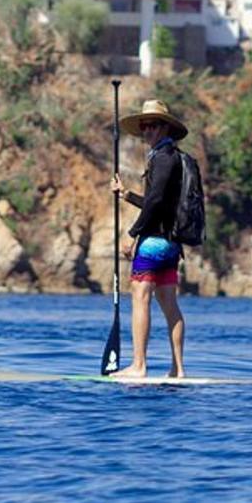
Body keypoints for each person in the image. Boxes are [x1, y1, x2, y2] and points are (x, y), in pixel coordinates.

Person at [109, 99, 188, 378]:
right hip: (171, 245)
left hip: (153, 243)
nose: (148, 131)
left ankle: (139, 366)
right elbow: (160, 204)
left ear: (166, 127)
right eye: (144, 126)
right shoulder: (173, 158)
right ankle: (178, 370)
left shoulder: (162, 158)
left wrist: (133, 235)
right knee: (169, 303)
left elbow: (155, 203)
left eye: (153, 125)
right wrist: (127, 194)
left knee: (140, 297)